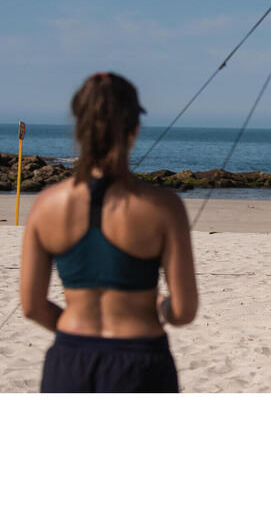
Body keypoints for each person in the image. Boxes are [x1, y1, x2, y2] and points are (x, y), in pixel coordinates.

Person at [20, 72, 199, 392]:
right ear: (134, 130)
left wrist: (75, 332)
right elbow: (184, 312)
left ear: (79, 128)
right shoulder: (162, 206)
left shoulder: (45, 205)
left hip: (70, 358)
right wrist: (160, 306)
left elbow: (32, 305)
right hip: (140, 360)